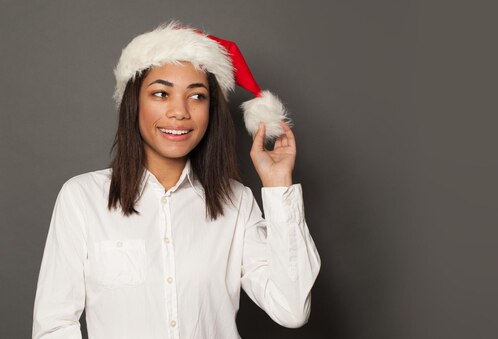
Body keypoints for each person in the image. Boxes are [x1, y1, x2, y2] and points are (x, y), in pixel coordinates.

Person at [32, 21, 321, 339]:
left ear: (211, 111)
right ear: (134, 103)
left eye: (197, 97)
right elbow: (54, 325)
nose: (179, 112)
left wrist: (279, 185)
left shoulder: (236, 201)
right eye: (160, 93)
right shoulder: (82, 198)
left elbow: (291, 309)